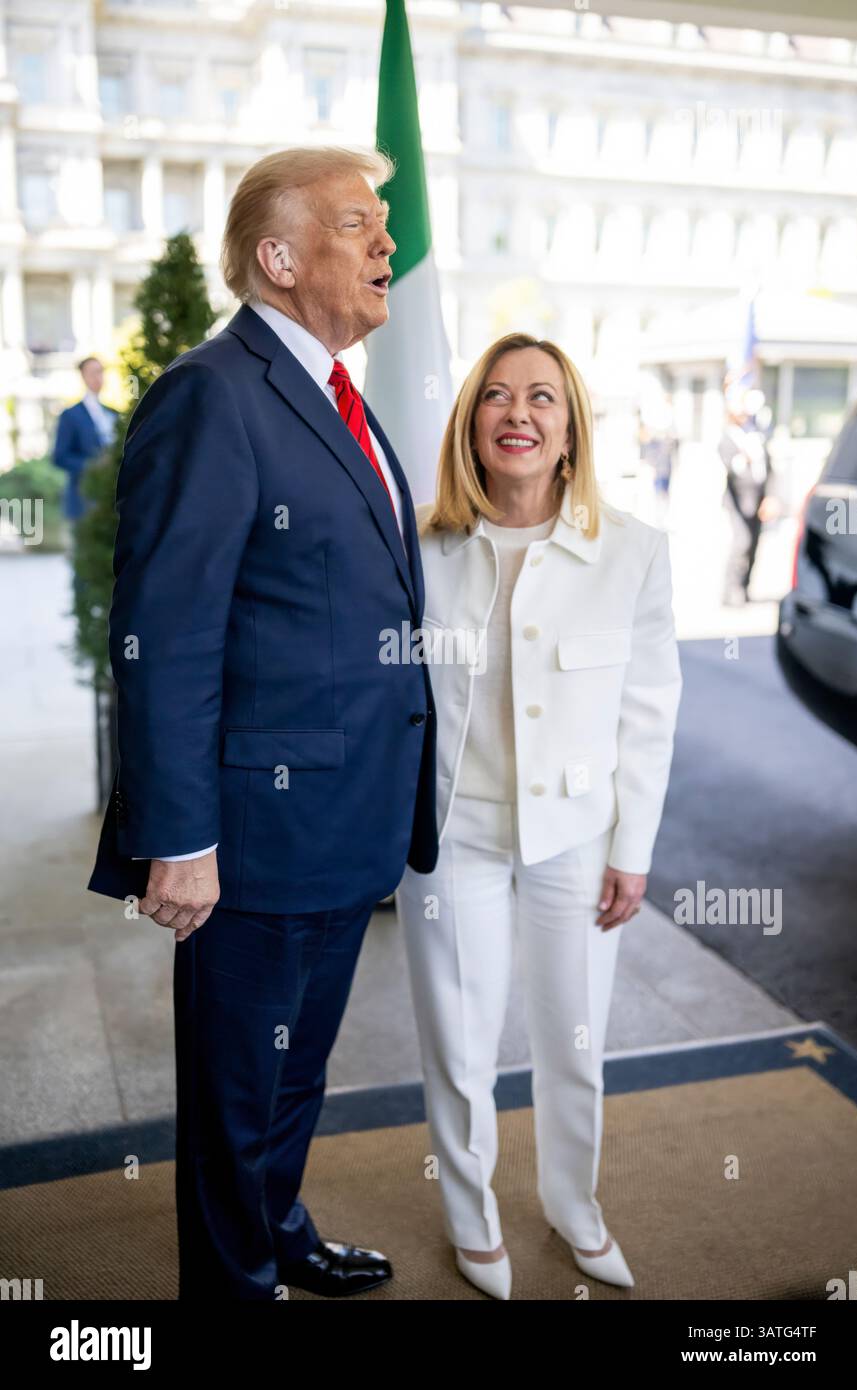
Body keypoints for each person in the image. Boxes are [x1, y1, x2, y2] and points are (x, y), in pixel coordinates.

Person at [87, 146, 439, 1300]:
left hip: (344, 826)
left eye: (383, 223)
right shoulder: (213, 390)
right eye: (357, 225)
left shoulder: (342, 396)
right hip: (250, 843)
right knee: (236, 1096)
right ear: (280, 259)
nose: (387, 244)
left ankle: (277, 1230)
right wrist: (177, 838)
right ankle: (233, 1284)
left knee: (296, 1079)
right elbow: (164, 635)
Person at [395, 332, 682, 1299]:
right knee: (459, 1042)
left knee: (575, 1042)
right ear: (471, 425)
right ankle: (474, 1223)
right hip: (453, 834)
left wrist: (632, 851)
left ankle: (574, 1208)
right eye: (497, 397)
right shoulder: (421, 548)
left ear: (571, 433)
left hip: (577, 837)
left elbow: (649, 713)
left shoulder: (633, 551)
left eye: (543, 400)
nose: (519, 414)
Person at [717, 389, 774, 605]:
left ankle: (745, 587)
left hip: (758, 498)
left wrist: (770, 497)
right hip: (738, 501)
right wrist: (744, 458)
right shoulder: (728, 437)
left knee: (754, 543)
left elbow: (770, 467)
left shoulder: (756, 434)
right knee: (741, 542)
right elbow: (731, 467)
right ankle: (730, 591)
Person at [52, 356, 119, 521]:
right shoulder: (70, 415)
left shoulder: (113, 413)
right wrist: (92, 465)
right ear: (83, 376)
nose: (98, 377)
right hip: (83, 497)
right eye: (93, 373)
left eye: (101, 372)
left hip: (112, 497)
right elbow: (59, 457)